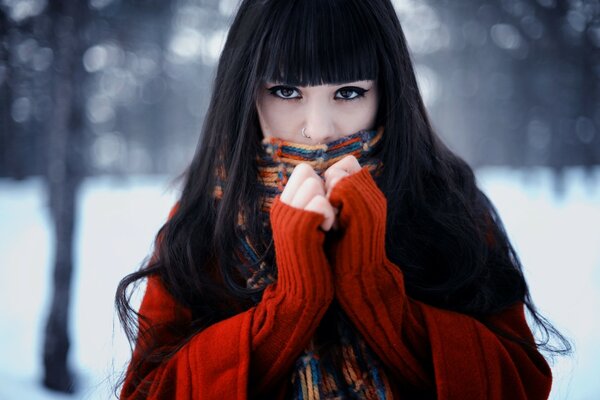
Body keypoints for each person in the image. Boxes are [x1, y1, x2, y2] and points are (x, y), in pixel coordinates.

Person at [115, 0, 570, 398]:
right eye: (286, 91)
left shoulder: (447, 204)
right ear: (246, 92)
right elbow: (147, 391)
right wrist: (290, 307)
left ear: (388, 91)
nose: (319, 128)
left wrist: (374, 287)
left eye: (349, 92)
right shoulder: (203, 222)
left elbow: (521, 383)